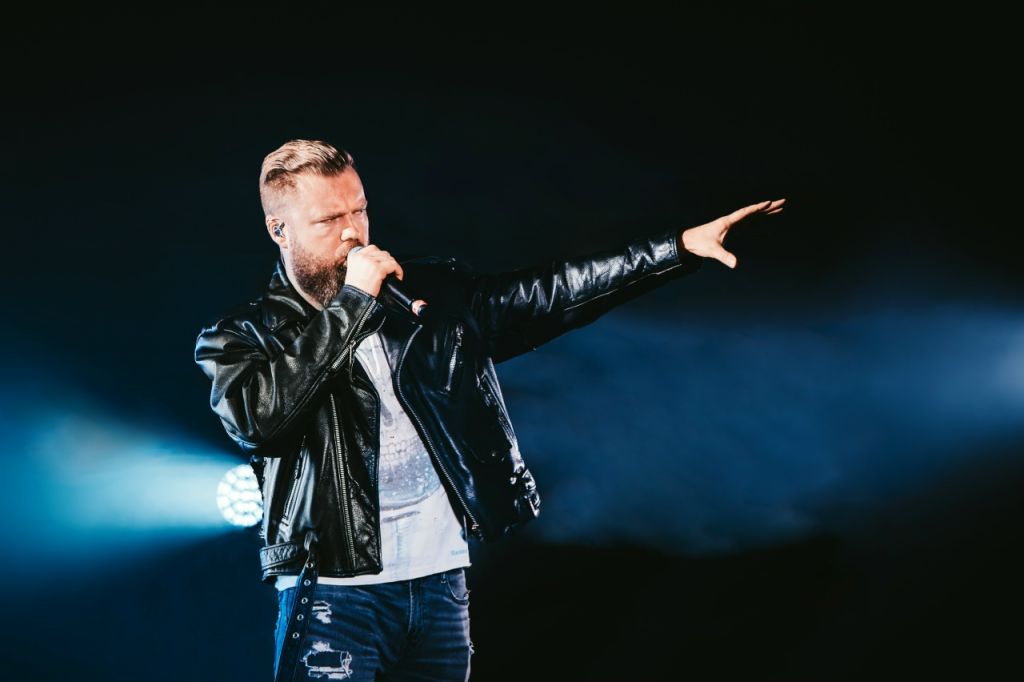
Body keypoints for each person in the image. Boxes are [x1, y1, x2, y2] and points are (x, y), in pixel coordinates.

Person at [193, 139, 784, 682]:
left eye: (360, 210)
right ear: (280, 229)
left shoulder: (427, 296)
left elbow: (551, 293)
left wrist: (676, 249)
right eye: (328, 220)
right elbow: (260, 420)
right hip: (334, 596)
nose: (353, 233)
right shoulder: (241, 336)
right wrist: (352, 304)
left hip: (440, 586)